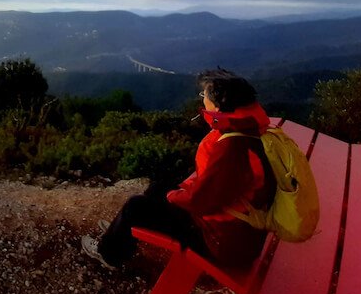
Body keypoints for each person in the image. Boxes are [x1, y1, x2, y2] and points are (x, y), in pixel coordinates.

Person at [81, 68, 276, 269]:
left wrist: (173, 196)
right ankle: (121, 232)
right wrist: (176, 191)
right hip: (237, 231)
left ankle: (109, 254)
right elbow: (219, 187)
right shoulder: (249, 130)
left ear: (219, 104)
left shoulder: (233, 147)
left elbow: (202, 200)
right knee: (157, 188)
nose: (202, 100)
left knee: (135, 206)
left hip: (220, 241)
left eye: (204, 95)